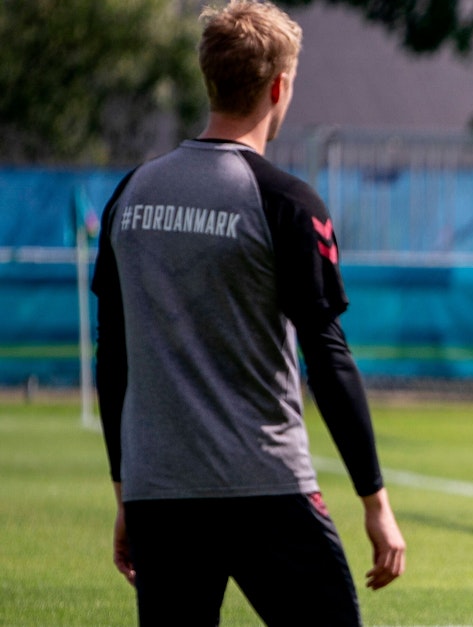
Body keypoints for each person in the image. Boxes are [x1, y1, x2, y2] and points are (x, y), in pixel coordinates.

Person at [92, 1, 406, 624]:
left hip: (160, 493)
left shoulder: (130, 195)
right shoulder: (287, 202)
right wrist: (375, 501)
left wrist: (126, 492)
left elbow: (114, 357)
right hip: (266, 486)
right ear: (278, 87)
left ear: (209, 78)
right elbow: (327, 357)